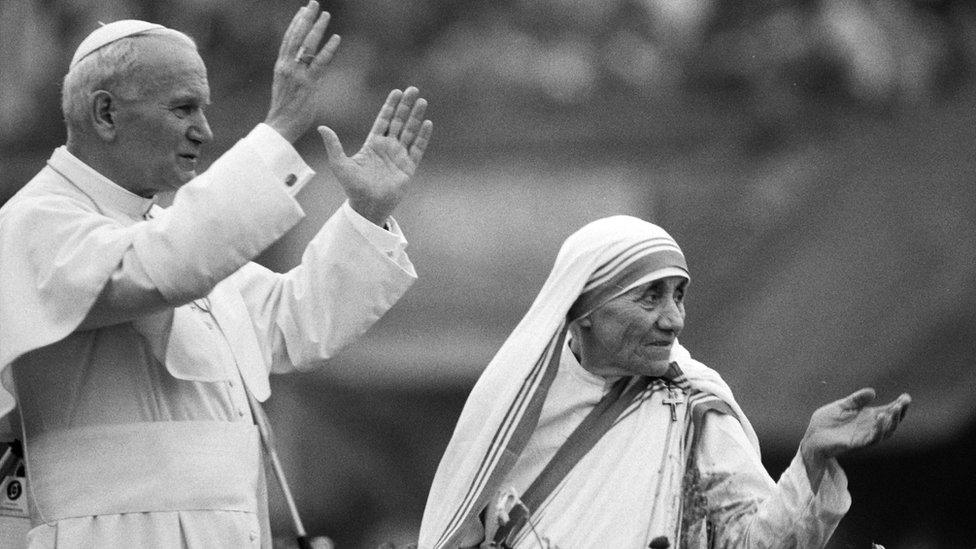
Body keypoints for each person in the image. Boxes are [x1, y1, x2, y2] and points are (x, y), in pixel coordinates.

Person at [0, 1, 432, 547]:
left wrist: (365, 214)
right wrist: (278, 131)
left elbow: (293, 322)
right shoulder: (35, 222)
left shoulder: (164, 230)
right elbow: (162, 270)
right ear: (105, 113)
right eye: (182, 108)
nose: (204, 130)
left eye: (203, 109)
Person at [419, 216, 910, 548]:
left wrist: (812, 459)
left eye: (679, 296)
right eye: (649, 298)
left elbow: (752, 543)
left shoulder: (693, 405)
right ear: (584, 310)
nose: (673, 319)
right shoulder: (513, 405)